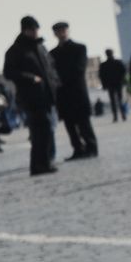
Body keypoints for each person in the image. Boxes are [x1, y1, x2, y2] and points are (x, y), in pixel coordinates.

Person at [3, 17, 60, 176]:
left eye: (37, 29)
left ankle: (46, 161)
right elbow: (9, 72)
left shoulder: (41, 47)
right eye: (32, 29)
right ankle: (39, 164)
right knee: (40, 131)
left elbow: (50, 68)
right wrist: (30, 78)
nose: (35, 32)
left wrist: (55, 83)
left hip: (47, 95)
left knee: (47, 129)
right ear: (25, 30)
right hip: (31, 97)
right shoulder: (15, 50)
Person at [50, 23, 99, 160]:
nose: (61, 33)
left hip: (77, 91)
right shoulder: (52, 54)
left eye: (63, 30)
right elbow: (51, 72)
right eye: (58, 31)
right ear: (55, 34)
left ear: (68, 31)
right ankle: (77, 148)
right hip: (63, 94)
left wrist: (62, 79)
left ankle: (91, 147)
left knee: (84, 122)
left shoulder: (79, 48)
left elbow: (79, 69)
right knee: (70, 124)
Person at [99, 49, 128, 122]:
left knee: (113, 101)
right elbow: (124, 72)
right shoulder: (118, 62)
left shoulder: (103, 65)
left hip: (110, 85)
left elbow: (102, 76)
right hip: (118, 83)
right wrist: (123, 81)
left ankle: (115, 116)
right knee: (120, 100)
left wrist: (104, 85)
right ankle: (123, 114)